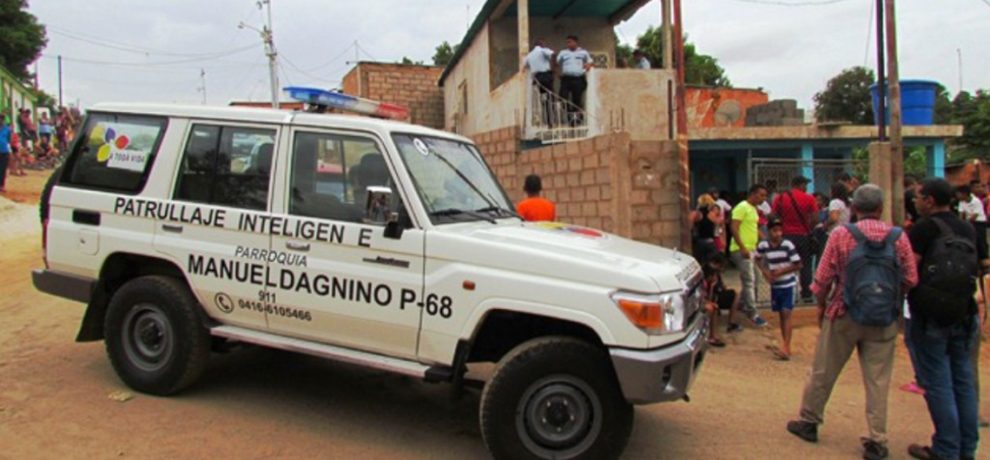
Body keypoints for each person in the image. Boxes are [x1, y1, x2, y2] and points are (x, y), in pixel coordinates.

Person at [786, 184, 918, 460]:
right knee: (878, 380)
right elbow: (910, 279)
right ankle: (877, 440)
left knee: (824, 370)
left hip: (843, 313)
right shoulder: (898, 237)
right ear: (880, 208)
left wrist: (822, 305)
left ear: (854, 209)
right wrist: (889, 299)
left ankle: (809, 422)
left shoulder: (841, 235)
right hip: (883, 319)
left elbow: (822, 278)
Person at [906, 178, 981, 460]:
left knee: (937, 382)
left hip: (931, 315)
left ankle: (946, 448)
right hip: (964, 311)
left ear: (930, 200)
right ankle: (966, 449)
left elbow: (910, 272)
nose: (915, 201)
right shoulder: (967, 227)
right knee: (963, 381)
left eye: (919, 197)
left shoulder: (923, 229)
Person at [757, 217, 802, 360]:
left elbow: (798, 264)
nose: (778, 233)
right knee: (782, 315)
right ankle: (785, 344)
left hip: (788, 283)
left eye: (779, 230)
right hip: (776, 284)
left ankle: (786, 346)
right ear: (769, 231)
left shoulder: (787, 245)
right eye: (774, 230)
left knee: (786, 312)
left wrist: (780, 272)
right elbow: (757, 258)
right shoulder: (764, 245)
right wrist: (765, 273)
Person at [772, 176, 819, 302]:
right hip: (803, 236)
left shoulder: (780, 198)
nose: (806, 188)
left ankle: (790, 292)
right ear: (800, 185)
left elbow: (773, 216)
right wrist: (808, 228)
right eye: (805, 185)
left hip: (785, 236)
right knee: (805, 265)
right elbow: (815, 218)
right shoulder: (809, 198)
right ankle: (806, 294)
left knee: (787, 264)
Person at [729, 184, 770, 330]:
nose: (763, 198)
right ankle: (752, 313)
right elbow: (734, 227)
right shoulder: (742, 207)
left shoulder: (753, 210)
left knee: (755, 279)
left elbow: (753, 228)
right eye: (761, 195)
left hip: (751, 249)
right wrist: (742, 247)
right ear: (752, 194)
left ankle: (742, 304)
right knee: (749, 280)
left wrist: (764, 240)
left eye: (765, 196)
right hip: (741, 250)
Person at [701, 252, 739, 346]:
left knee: (733, 295)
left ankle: (731, 323)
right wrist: (713, 287)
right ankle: (712, 336)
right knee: (713, 307)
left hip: (713, 298)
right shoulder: (705, 279)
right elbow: (705, 297)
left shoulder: (715, 275)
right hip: (704, 301)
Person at [556, 35, 593, 125]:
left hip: (578, 79)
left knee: (576, 100)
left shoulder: (583, 52)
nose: (568, 44)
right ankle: (569, 116)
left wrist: (588, 65)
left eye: (570, 42)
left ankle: (576, 120)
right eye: (567, 42)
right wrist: (557, 73)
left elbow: (590, 61)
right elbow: (556, 63)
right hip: (566, 79)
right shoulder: (563, 53)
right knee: (563, 98)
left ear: (575, 42)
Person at [956, 184, 989, 267]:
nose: (957, 195)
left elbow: (974, 217)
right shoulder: (961, 201)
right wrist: (959, 224)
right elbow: (961, 214)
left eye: (958, 193)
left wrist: (964, 224)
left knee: (980, 240)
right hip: (968, 222)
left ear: (964, 194)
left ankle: (984, 259)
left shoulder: (976, 201)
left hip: (979, 222)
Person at [524, 40, 555, 125]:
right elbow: (552, 54)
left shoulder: (529, 55)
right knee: (550, 98)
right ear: (541, 44)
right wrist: (553, 69)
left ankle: (545, 120)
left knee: (543, 99)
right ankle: (550, 121)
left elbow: (525, 65)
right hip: (546, 75)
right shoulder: (542, 50)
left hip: (537, 78)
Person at [691, 193, 724, 261]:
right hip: (710, 241)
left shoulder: (696, 214)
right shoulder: (712, 214)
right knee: (711, 264)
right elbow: (720, 224)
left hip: (699, 242)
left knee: (699, 263)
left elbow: (689, 226)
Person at [0, 116, 11, 192]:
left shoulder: (7, 129)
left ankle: (2, 185)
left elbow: (8, 140)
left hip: (4, 151)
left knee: (3, 169)